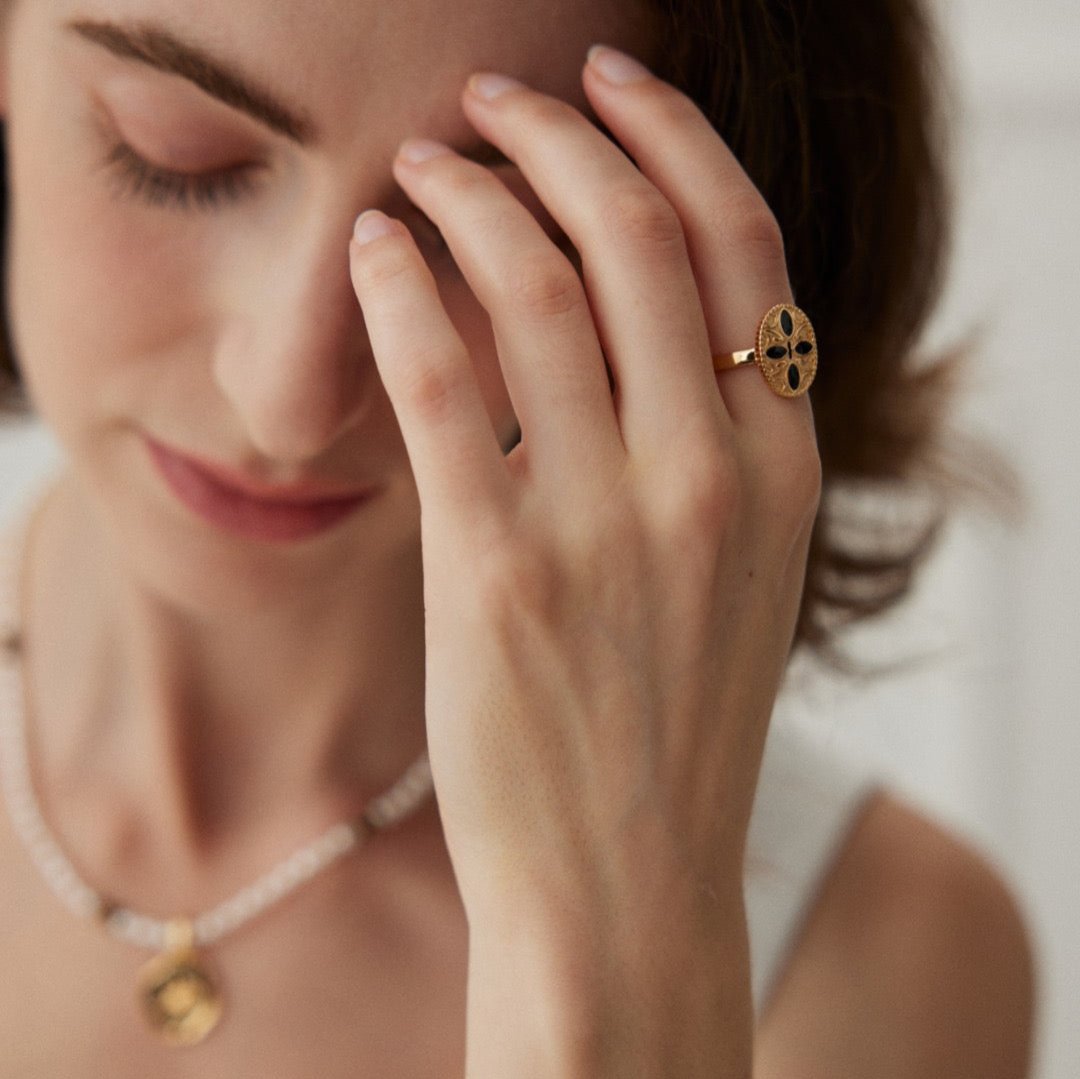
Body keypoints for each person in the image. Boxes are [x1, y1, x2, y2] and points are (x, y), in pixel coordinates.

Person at [0, 0, 1035, 1075]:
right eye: (178, 156)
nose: (288, 402)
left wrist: (620, 957)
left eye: (477, 236)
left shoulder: (875, 954)